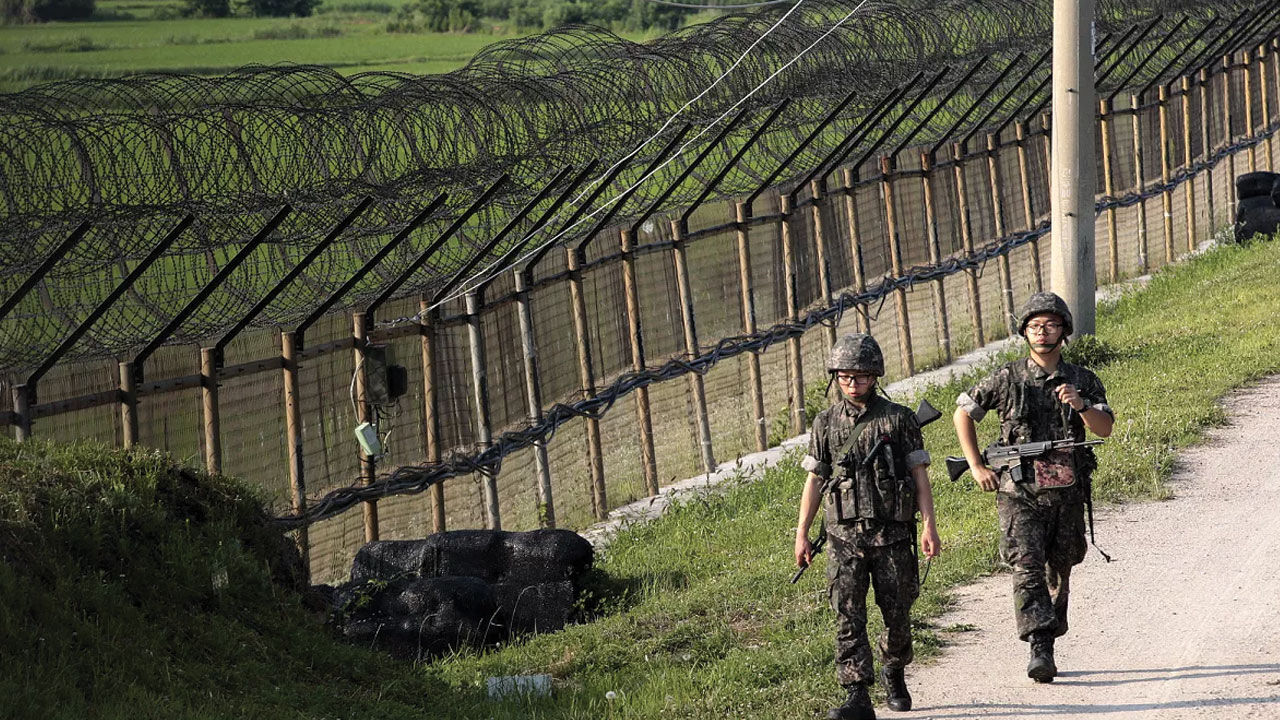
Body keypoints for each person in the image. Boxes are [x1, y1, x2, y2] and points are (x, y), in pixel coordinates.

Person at [951, 292, 1114, 683]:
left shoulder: (1082, 379)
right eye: (1035, 326)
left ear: (1064, 331)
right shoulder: (1007, 378)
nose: (1042, 333)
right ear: (1024, 332)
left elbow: (1104, 429)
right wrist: (975, 465)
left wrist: (1080, 405)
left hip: (1067, 491)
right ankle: (1039, 644)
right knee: (1026, 564)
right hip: (1018, 491)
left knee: (1062, 564)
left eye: (1051, 325)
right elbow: (964, 412)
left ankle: (1050, 635)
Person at [795, 333, 941, 720]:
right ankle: (856, 693)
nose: (852, 383)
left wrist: (929, 525)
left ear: (874, 375)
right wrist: (801, 534)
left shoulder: (899, 418)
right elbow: (814, 481)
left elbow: (919, 475)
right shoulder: (825, 424)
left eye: (859, 376)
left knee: (898, 611)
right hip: (843, 538)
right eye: (844, 376)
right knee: (847, 613)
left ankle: (894, 670)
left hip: (892, 535)